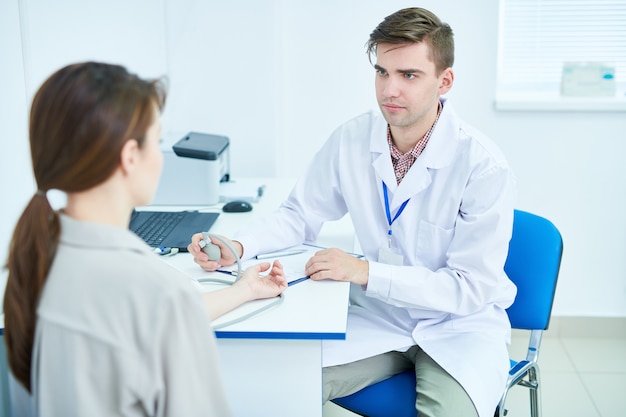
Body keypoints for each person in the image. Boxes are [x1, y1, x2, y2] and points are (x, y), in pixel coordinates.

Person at [189, 7, 517, 417]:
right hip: (380, 319)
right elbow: (298, 214)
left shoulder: (483, 166)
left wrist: (365, 272)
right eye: (382, 72)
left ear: (444, 81)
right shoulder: (352, 139)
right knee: (271, 387)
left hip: (458, 328)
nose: (389, 90)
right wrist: (239, 244)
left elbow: (470, 288)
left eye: (409, 75)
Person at [2, 61, 287, 416]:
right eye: (157, 140)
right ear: (129, 157)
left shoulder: (34, 260)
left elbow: (151, 320)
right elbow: (161, 313)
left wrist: (244, 290)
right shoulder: (156, 292)